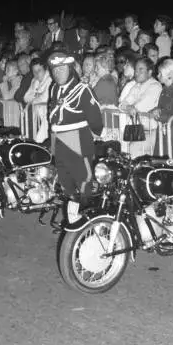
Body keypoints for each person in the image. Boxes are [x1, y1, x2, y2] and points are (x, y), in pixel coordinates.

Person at [47, 52, 103, 223]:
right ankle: (73, 221)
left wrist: (97, 133)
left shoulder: (82, 90)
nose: (58, 73)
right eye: (55, 69)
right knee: (66, 184)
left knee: (84, 183)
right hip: (59, 142)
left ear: (70, 69)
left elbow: (95, 119)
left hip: (77, 143)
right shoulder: (54, 89)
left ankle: (89, 222)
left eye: (62, 68)